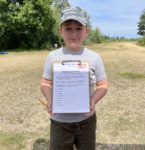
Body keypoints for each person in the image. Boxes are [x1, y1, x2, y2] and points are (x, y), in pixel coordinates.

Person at [40, 6, 108, 150]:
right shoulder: (52, 56)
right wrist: (50, 98)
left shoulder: (94, 57)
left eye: (79, 28)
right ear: (60, 31)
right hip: (59, 122)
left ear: (87, 31)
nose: (73, 33)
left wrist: (93, 100)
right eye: (68, 28)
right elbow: (45, 82)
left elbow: (102, 85)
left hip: (86, 121)